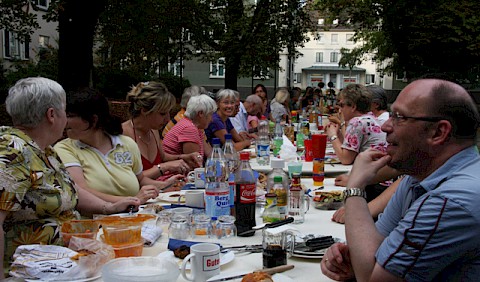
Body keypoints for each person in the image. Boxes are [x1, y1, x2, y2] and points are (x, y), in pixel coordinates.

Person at [321, 79, 480, 281]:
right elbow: (372, 251)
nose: (385, 126)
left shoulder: (451, 201)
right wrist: (357, 260)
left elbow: (372, 278)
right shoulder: (419, 176)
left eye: (399, 117)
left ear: (438, 132)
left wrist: (355, 188)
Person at [0, 77, 139, 276]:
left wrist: (109, 208)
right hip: (32, 273)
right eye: (65, 111)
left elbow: (72, 191)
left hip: (68, 264)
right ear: (51, 115)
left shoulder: (45, 150)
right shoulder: (12, 151)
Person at [55, 88, 184, 205]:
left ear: (93, 120)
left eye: (70, 116)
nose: (64, 121)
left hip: (133, 217)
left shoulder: (126, 144)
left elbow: (140, 180)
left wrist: (164, 185)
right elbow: (81, 191)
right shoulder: (64, 149)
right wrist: (131, 200)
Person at [122, 81, 202, 180]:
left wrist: (184, 157)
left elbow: (163, 157)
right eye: (163, 114)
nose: (168, 119)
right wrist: (164, 167)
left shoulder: (153, 130)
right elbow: (128, 179)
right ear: (145, 111)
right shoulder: (123, 134)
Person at [325, 84, 387, 165]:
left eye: (342, 105)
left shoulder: (358, 122)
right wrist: (338, 134)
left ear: (353, 107)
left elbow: (346, 159)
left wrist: (332, 136)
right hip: (378, 169)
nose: (340, 110)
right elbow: (349, 149)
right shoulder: (370, 118)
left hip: (370, 173)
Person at [163, 94, 216, 159]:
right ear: (201, 113)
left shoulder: (192, 125)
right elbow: (194, 162)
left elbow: (210, 154)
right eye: (210, 114)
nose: (212, 119)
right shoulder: (189, 129)